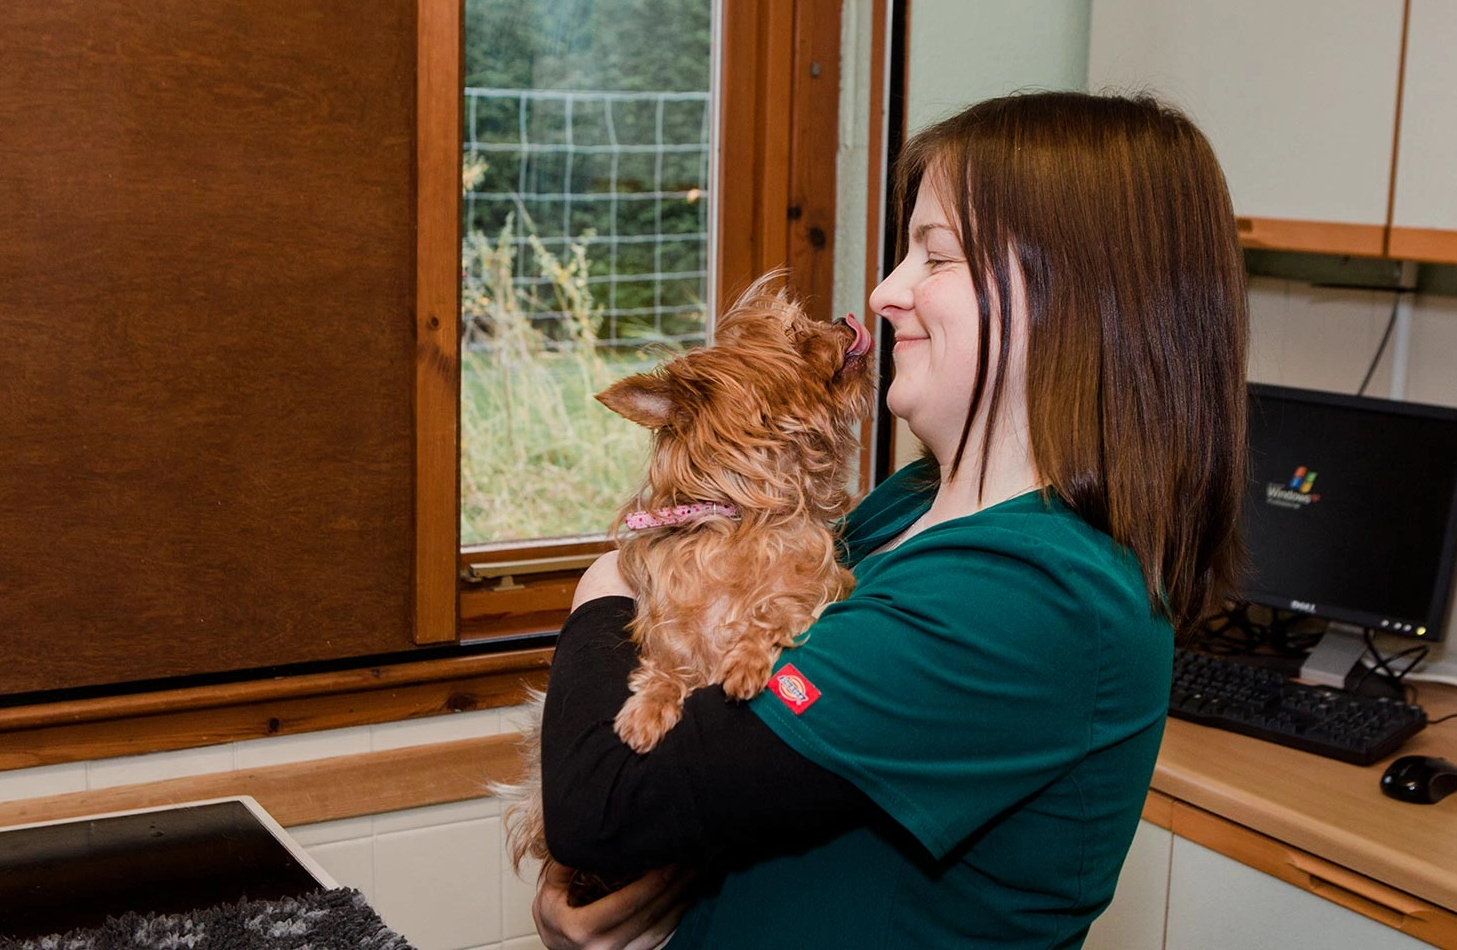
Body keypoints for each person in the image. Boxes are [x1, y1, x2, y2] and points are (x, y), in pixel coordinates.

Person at [532, 92, 1249, 949]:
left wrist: (608, 583)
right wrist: (595, 886)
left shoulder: (1029, 595)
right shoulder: (904, 507)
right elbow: (691, 771)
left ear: (1072, 299)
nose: (883, 292)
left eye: (934, 257)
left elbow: (605, 808)